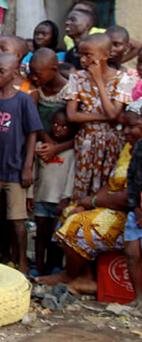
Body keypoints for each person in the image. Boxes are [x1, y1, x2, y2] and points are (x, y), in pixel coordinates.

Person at [38, 102, 142, 293]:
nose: (125, 132)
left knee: (81, 225)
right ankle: (86, 278)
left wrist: (92, 202)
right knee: (71, 211)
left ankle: (69, 275)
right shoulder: (129, 148)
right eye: (123, 127)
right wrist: (86, 203)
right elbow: (111, 184)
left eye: (131, 127)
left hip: (131, 214)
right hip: (116, 207)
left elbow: (129, 197)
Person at [0, 53, 43, 273]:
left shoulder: (23, 100)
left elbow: (32, 135)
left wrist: (27, 166)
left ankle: (22, 264)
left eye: (1, 71)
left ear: (14, 73)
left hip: (15, 169)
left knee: (17, 220)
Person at [65, 33, 133, 203]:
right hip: (86, 143)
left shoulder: (123, 79)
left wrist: (98, 81)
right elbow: (72, 115)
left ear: (106, 55)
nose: (83, 59)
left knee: (105, 189)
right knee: (82, 189)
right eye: (81, 54)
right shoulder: (77, 78)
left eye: (88, 55)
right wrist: (105, 117)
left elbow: (113, 113)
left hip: (112, 144)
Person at [33, 110, 76, 276]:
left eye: (64, 126)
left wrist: (65, 199)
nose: (58, 129)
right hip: (41, 198)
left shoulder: (71, 153)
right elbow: (34, 172)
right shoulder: (40, 147)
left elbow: (71, 177)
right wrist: (31, 195)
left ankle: (54, 266)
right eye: (56, 124)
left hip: (58, 201)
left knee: (55, 236)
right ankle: (38, 266)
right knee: (41, 234)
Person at [124, 99, 142, 306]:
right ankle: (139, 298)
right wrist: (135, 208)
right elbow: (132, 179)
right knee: (132, 252)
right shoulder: (139, 148)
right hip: (137, 207)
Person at [28, 48, 70, 134]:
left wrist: (56, 148)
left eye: (38, 75)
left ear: (54, 70)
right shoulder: (35, 87)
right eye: (31, 73)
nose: (34, 77)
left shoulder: (70, 91)